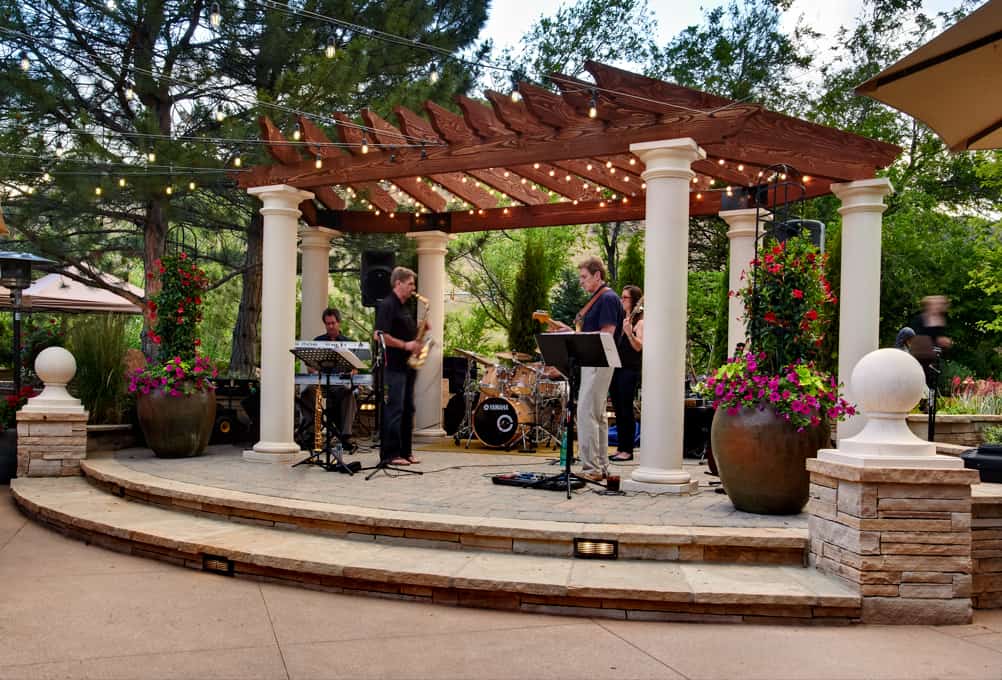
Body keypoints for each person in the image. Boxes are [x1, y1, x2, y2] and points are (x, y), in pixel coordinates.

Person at [573, 257, 623, 481]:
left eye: (584, 277)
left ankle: (591, 468)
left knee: (586, 413)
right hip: (594, 360)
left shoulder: (608, 298)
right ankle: (600, 466)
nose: (581, 282)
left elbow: (607, 333)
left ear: (597, 275)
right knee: (598, 415)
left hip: (598, 360)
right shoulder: (599, 299)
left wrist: (577, 338)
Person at [374, 267, 424, 466]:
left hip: (408, 367)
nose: (413, 287)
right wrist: (406, 345)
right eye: (410, 283)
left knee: (408, 409)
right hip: (393, 366)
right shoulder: (388, 305)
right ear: (398, 283)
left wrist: (420, 330)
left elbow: (405, 332)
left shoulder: (404, 307)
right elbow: (379, 335)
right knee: (394, 409)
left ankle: (405, 452)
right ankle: (390, 454)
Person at [301, 307, 358, 452]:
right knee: (307, 392)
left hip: (339, 384)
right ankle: (311, 433)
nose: (330, 326)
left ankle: (346, 435)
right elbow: (310, 367)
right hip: (321, 382)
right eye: (327, 324)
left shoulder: (348, 343)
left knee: (349, 393)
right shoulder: (318, 341)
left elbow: (355, 368)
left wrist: (352, 372)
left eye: (333, 323)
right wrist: (314, 371)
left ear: (339, 323)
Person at [610, 286, 643, 462]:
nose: (622, 300)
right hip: (616, 367)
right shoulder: (623, 319)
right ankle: (621, 447)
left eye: (625, 298)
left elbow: (639, 346)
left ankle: (627, 449)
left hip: (629, 369)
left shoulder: (640, 321)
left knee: (625, 408)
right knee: (618, 409)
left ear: (634, 301)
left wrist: (630, 334)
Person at [910, 295, 952, 388]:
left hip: (933, 356)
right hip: (920, 356)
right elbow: (916, 336)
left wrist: (944, 341)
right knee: (921, 379)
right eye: (936, 304)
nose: (938, 307)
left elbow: (939, 338)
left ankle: (929, 399)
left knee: (932, 380)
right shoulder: (919, 319)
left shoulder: (941, 320)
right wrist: (938, 340)